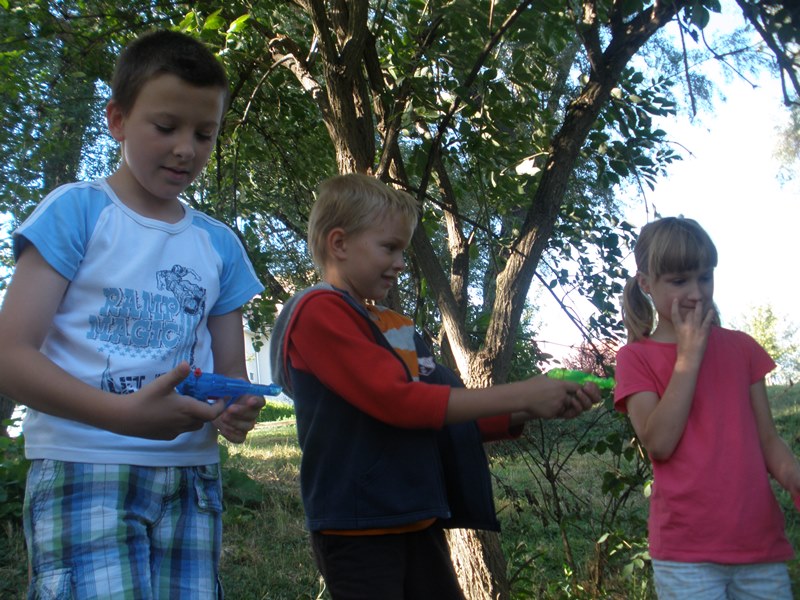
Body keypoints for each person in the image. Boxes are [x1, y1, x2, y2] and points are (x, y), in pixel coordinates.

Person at [0, 30, 266, 598]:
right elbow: (10, 357)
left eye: (205, 134)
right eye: (166, 127)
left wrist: (235, 408)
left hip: (192, 478)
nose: (186, 149)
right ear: (117, 120)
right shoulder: (76, 212)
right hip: (84, 464)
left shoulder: (220, 245)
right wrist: (121, 416)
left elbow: (230, 375)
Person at [268, 173, 601, 599]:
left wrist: (533, 406)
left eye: (403, 251)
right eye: (389, 247)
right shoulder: (319, 312)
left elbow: (443, 409)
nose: (400, 263)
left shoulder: (391, 325)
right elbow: (400, 402)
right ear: (339, 243)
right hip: (357, 526)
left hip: (415, 516)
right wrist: (524, 392)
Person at [614, 216, 800, 599]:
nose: (697, 293)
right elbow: (659, 443)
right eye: (679, 281)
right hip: (686, 556)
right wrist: (689, 356)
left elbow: (768, 440)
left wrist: (794, 476)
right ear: (646, 284)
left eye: (705, 277)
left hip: (759, 547)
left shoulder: (742, 348)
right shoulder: (635, 358)